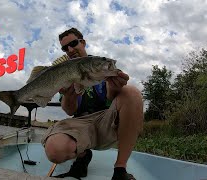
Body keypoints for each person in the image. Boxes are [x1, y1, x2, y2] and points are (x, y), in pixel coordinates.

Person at [41, 27, 144, 180]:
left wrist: (114, 88)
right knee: (55, 150)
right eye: (65, 48)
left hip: (106, 123)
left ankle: (120, 170)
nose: (69, 49)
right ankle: (82, 155)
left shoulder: (99, 65)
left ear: (83, 42)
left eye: (73, 43)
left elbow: (111, 99)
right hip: (80, 123)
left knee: (132, 93)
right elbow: (69, 111)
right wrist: (69, 96)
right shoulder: (64, 72)